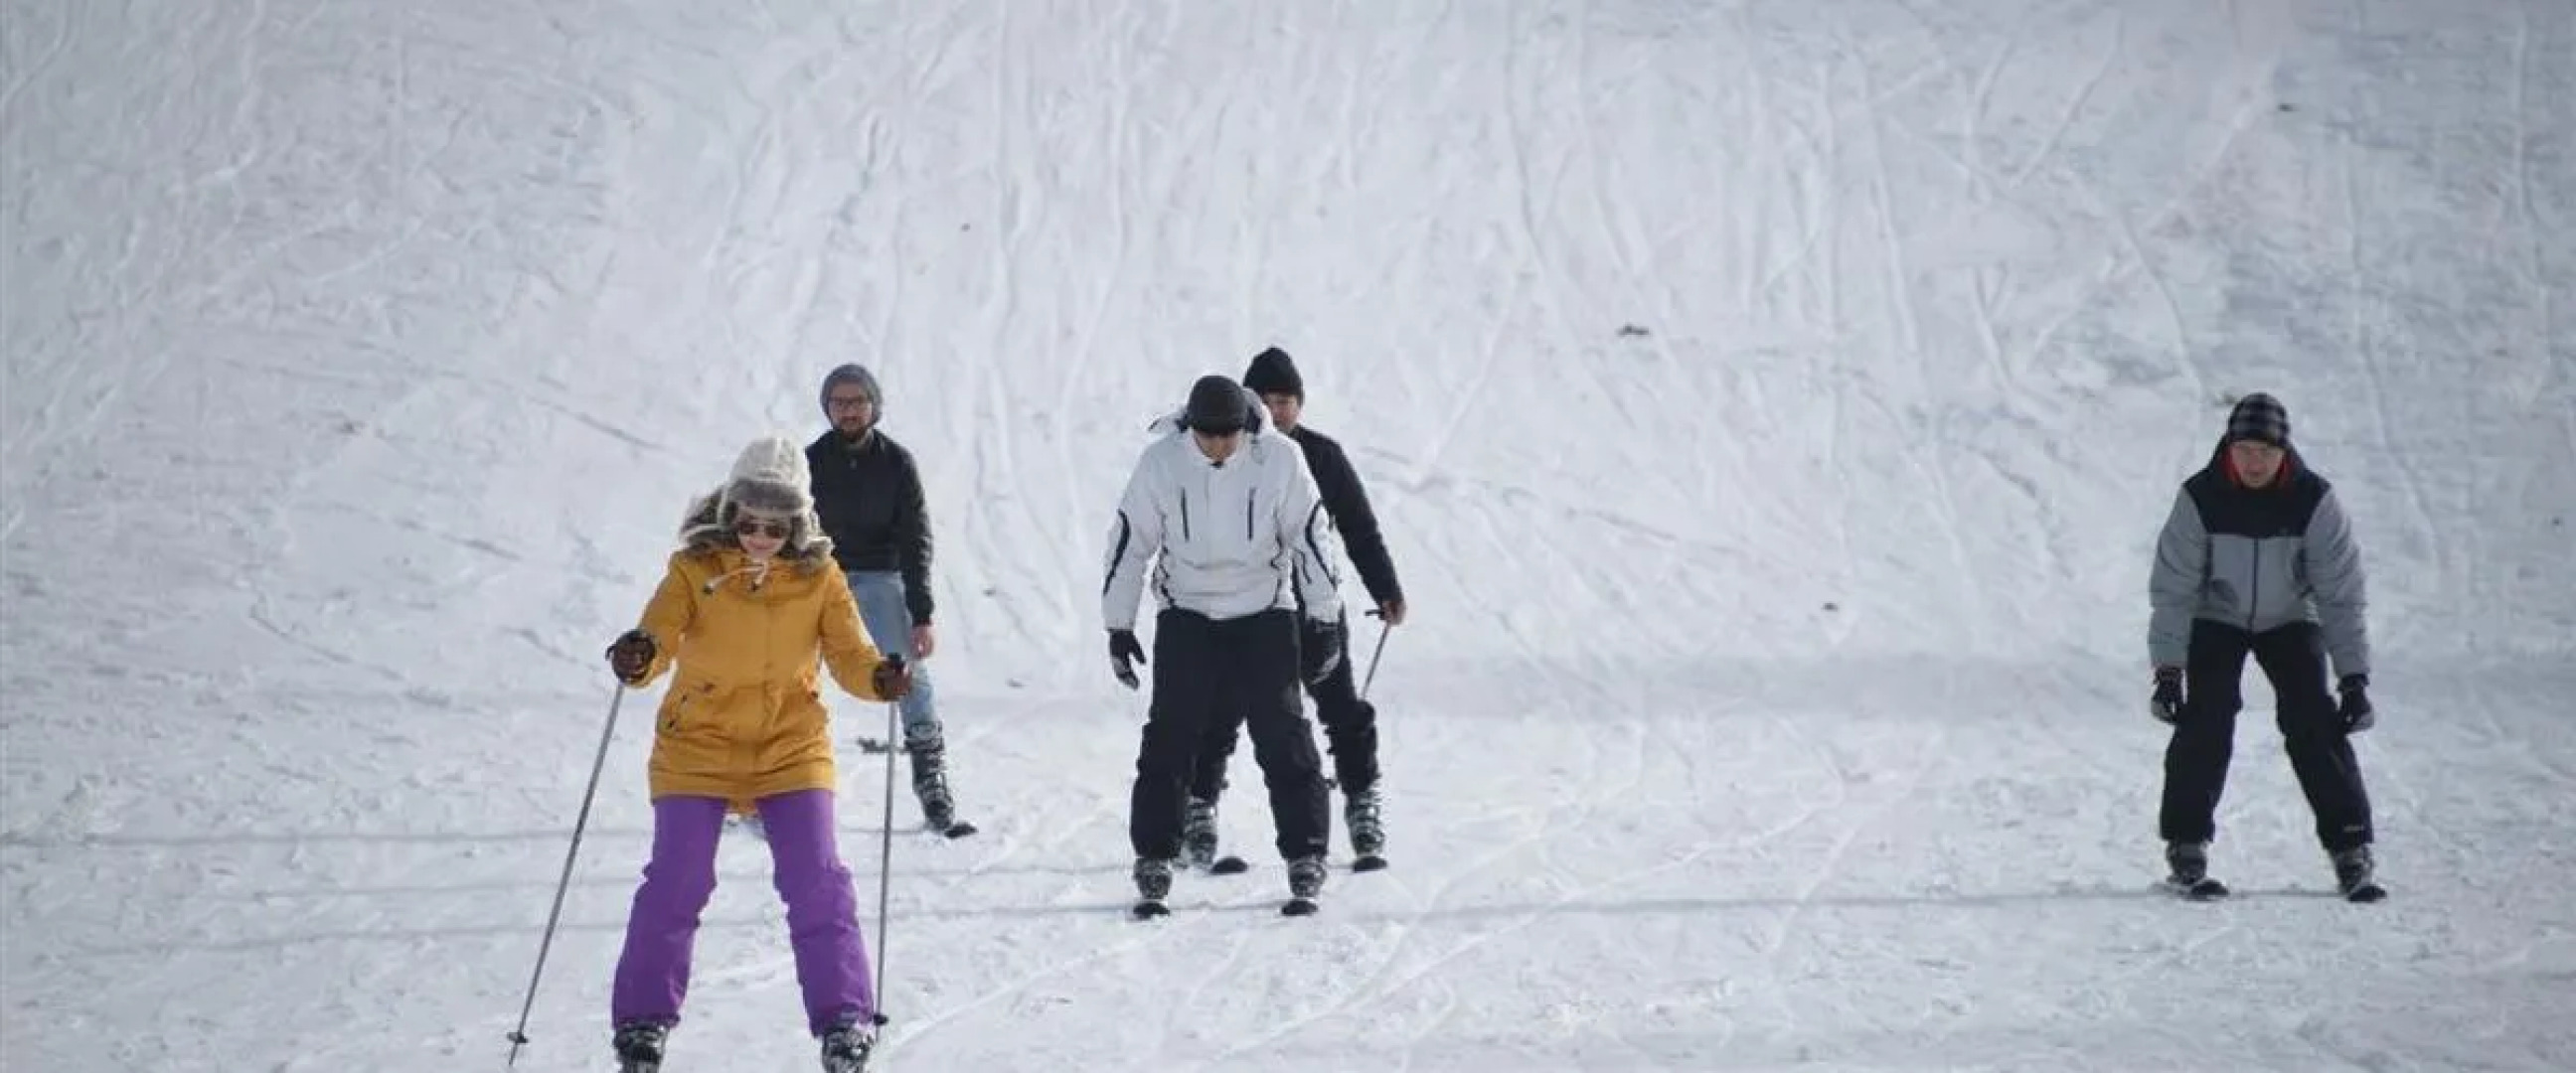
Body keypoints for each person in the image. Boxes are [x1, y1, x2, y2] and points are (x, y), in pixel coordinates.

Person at [601, 432, 912, 1072]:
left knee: (818, 879)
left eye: (776, 525)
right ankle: (641, 1022)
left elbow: (851, 655)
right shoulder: (693, 571)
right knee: (677, 881)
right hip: (699, 745)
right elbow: (656, 637)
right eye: (750, 522)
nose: (761, 537)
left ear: (797, 524)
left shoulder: (819, 576)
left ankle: (844, 1021)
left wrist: (879, 677)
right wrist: (638, 657)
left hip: (789, 745)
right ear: (730, 515)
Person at [1100, 374, 1346, 913]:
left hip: (1263, 612)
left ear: (1244, 427)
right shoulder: (1161, 462)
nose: (1219, 446)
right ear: (1191, 428)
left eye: (1228, 435)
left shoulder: (1279, 459)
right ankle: (1155, 856)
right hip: (1188, 614)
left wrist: (1324, 617)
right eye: (1208, 436)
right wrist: (1118, 626)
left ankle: (1306, 853)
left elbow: (1310, 536)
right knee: (1170, 735)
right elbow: (1130, 541)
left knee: (1282, 731)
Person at [2147, 392, 2383, 901]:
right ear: (2229, 448)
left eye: (2266, 452)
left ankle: (2351, 848)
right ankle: (2186, 846)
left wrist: (2354, 679)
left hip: (2290, 617)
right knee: (2207, 716)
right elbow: (2174, 592)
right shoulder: (2200, 499)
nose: (2255, 462)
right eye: (2246, 449)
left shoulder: (2314, 501)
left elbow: (2341, 598)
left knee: (2313, 718)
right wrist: (2168, 672)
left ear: (2285, 452)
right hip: (2218, 617)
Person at [1186, 346, 1407, 870]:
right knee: (1222, 710)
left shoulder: (1323, 458)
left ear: (1300, 405)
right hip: (1247, 611)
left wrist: (1385, 589)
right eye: (1265, 399)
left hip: (1314, 609)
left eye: (1286, 400)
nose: (1276, 409)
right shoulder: (1225, 456)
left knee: (1340, 707)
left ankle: (1361, 801)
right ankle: (1199, 806)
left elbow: (1357, 527)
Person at [804, 363, 970, 836]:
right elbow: (794, 529)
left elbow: (915, 537)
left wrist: (921, 613)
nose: (850, 411)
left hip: (880, 574)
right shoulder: (811, 461)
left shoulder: (896, 463)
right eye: (840, 403)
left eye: (858, 401)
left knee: (904, 671)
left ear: (874, 406)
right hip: (823, 574)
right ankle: (764, 781)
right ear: (828, 409)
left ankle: (930, 771)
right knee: (786, 669)